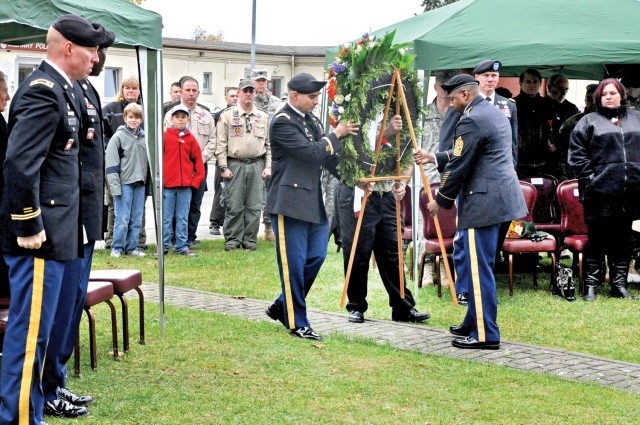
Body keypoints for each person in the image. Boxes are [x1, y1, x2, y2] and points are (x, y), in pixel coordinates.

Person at [0, 14, 103, 425]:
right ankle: (20, 418)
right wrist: (27, 223)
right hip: (39, 237)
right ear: (68, 49)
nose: (96, 58)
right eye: (91, 50)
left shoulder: (65, 89)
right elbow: (20, 164)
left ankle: (33, 409)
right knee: (29, 337)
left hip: (60, 233)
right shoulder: (43, 91)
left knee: (44, 332)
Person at [414, 74, 527, 350]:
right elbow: (468, 152)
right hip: (498, 200)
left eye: (453, 98)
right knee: (481, 266)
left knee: (478, 270)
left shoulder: (471, 118)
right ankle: (471, 321)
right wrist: (435, 157)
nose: (450, 104)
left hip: (483, 203)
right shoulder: (491, 111)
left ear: (465, 95)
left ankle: (486, 334)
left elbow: (461, 164)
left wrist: (440, 199)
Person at [41, 24, 115, 420]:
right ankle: (49, 385)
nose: (97, 57)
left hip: (81, 215)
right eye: (93, 49)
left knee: (70, 305)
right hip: (64, 215)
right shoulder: (55, 90)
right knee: (57, 307)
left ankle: (58, 380)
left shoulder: (86, 91)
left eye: (100, 50)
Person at [264, 73, 359, 340]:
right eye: (312, 97)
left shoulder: (311, 120)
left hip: (311, 202)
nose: (316, 102)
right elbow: (311, 153)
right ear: (295, 96)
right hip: (289, 202)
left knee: (316, 257)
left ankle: (282, 305)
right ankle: (297, 322)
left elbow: (326, 160)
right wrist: (336, 134)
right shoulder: (282, 122)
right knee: (293, 265)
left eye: (318, 96)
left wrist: (355, 180)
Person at [337, 114, 431, 325]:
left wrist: (402, 183)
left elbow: (406, 154)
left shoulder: (400, 112)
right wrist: (386, 131)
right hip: (361, 194)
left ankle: (403, 307)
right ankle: (356, 305)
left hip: (387, 194)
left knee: (393, 250)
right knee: (358, 251)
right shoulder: (358, 111)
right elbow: (362, 148)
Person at [568, 78, 640, 301]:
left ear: (621, 95)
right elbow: (577, 154)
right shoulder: (588, 121)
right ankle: (591, 285)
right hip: (599, 192)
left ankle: (619, 285)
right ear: (598, 97)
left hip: (629, 191)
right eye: (604, 94)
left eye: (613, 93)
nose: (609, 97)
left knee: (623, 239)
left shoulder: (636, 119)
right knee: (597, 239)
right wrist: (591, 178)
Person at [215, 80, 271, 251]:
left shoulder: (263, 116)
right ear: (238, 93)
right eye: (245, 91)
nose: (248, 94)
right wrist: (223, 167)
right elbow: (221, 143)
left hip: (256, 164)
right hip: (235, 164)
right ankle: (232, 239)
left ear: (255, 94)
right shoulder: (228, 115)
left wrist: (268, 166)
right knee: (234, 203)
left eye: (251, 91)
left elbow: (269, 145)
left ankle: (250, 239)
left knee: (255, 204)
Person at [164, 77, 216, 250]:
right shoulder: (170, 114)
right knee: (172, 206)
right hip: (175, 169)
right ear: (181, 91)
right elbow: (166, 142)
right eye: (188, 90)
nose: (191, 94)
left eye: (194, 90)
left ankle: (190, 237)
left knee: (195, 204)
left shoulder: (206, 115)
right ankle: (172, 239)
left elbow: (213, 140)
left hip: (199, 166)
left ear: (199, 93)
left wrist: (200, 160)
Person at [102, 76, 144, 249]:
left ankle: (137, 241)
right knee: (114, 204)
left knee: (138, 208)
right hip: (117, 166)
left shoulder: (144, 109)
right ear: (122, 89)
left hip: (137, 169)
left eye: (134, 88)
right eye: (127, 88)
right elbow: (101, 134)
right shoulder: (110, 109)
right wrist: (110, 150)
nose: (130, 91)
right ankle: (112, 240)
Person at [105, 102, 148, 257]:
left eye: (137, 118)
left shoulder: (144, 138)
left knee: (136, 218)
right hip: (124, 184)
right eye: (130, 117)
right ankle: (117, 247)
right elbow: (111, 165)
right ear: (125, 118)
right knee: (122, 218)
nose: (133, 120)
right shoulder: (118, 137)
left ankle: (132, 247)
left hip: (140, 183)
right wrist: (115, 187)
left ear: (141, 119)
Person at [162, 105, 205, 256]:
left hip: (185, 187)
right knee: (166, 218)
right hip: (168, 186)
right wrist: (162, 181)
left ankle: (181, 246)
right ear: (171, 119)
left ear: (188, 119)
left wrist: (193, 182)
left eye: (183, 117)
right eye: (177, 117)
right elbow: (158, 161)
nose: (180, 120)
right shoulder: (164, 137)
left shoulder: (191, 139)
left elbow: (199, 164)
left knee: (182, 217)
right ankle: (164, 246)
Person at [252, 68, 281, 242]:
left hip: (273, 152)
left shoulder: (277, 102)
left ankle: (269, 228)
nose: (261, 83)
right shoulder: (249, 101)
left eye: (263, 80)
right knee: (254, 193)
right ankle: (250, 229)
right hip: (255, 151)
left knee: (271, 191)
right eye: (258, 80)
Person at [513, 68, 555, 177]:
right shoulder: (512, 105)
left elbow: (553, 130)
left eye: (535, 82)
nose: (532, 85)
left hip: (543, 162)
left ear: (541, 83)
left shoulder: (547, 105)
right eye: (528, 82)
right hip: (519, 161)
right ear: (521, 83)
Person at [209, 86, 239, 236]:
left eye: (236, 96)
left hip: (240, 160)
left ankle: (233, 223)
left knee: (238, 193)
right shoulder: (219, 116)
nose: (235, 98)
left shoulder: (244, 115)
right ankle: (215, 222)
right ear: (226, 98)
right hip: (223, 160)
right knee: (221, 191)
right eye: (232, 96)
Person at [558, 83, 598, 180]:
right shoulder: (572, 123)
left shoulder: (613, 123)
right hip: (577, 173)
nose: (593, 102)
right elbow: (563, 151)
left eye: (596, 99)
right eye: (590, 99)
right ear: (585, 100)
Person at [544, 73, 579, 179]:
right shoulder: (540, 105)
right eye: (560, 88)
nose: (563, 93)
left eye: (566, 89)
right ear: (549, 87)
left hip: (566, 157)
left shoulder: (572, 108)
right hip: (544, 159)